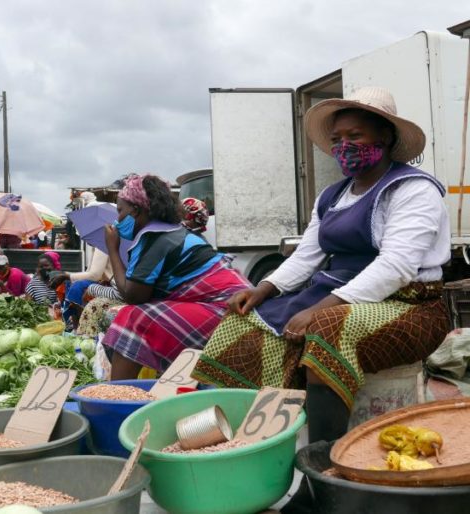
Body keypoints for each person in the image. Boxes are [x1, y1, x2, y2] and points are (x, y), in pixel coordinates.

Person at [192, 87, 451, 444]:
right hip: (340, 292)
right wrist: (262, 288)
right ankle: (244, 438)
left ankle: (323, 462)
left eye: (355, 135)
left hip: (410, 305)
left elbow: (396, 267)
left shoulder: (412, 189)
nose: (344, 145)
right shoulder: (332, 196)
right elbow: (306, 255)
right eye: (337, 139)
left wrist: (320, 308)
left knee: (328, 327)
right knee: (243, 319)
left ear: (385, 136)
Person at [101, 174, 249, 380]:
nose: (117, 220)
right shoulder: (170, 232)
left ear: (136, 210)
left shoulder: (157, 240)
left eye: (120, 211)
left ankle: (117, 400)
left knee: (131, 319)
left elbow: (132, 297)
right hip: (231, 303)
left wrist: (113, 250)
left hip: (226, 308)